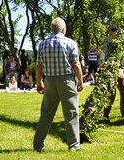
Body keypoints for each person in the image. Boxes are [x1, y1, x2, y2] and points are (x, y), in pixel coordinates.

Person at [34, 17, 84, 152]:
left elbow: (38, 66)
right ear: (63, 29)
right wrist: (80, 80)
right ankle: (74, 145)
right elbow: (76, 64)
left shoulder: (42, 44)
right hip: (66, 81)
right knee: (71, 113)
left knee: (46, 113)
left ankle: (38, 145)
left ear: (51, 29)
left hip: (49, 80)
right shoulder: (70, 43)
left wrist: (39, 82)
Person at [102, 24, 124, 120]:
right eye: (112, 29)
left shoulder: (120, 42)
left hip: (119, 69)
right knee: (111, 94)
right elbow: (110, 40)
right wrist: (118, 32)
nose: (114, 31)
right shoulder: (106, 40)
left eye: (116, 29)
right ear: (109, 31)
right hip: (110, 69)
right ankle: (106, 115)